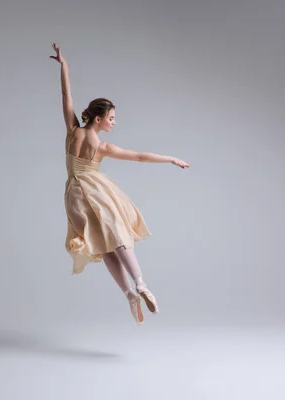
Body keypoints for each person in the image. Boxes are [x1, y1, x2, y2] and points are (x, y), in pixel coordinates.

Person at [50, 43, 189, 325]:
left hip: (73, 195)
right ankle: (140, 283)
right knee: (119, 235)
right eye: (111, 118)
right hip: (94, 190)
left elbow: (66, 97)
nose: (114, 122)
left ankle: (128, 294)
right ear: (99, 119)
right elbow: (139, 156)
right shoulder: (101, 146)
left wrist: (64, 66)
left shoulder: (72, 131)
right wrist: (171, 158)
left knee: (103, 245)